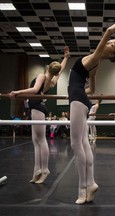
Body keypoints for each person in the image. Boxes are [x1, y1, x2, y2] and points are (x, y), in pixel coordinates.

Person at [67, 18, 115, 204]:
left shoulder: (95, 58)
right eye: (112, 42)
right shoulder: (95, 64)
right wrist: (74, 91)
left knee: (75, 144)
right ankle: (90, 183)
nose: (110, 42)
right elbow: (92, 90)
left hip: (79, 101)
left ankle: (83, 188)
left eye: (113, 44)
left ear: (111, 54)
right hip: (80, 98)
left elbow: (109, 30)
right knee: (83, 143)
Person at [9, 46, 70, 184]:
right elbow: (61, 70)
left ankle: (45, 169)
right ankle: (37, 169)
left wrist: (17, 92)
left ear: (48, 67)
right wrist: (65, 57)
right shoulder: (52, 80)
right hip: (36, 108)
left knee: (41, 140)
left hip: (37, 108)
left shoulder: (42, 76)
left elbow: (35, 89)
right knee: (36, 141)